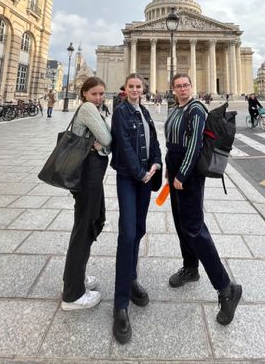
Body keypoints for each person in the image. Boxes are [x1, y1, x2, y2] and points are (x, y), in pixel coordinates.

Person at [165, 73, 242, 326]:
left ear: (191, 87)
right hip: (175, 170)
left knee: (195, 229)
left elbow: (196, 143)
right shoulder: (176, 108)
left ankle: (226, 288)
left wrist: (183, 174)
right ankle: (191, 268)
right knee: (181, 224)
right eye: (178, 86)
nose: (182, 89)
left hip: (188, 174)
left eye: (186, 85)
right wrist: (170, 170)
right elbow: (173, 142)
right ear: (173, 89)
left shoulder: (196, 108)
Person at [111, 73, 162, 344]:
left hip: (145, 178)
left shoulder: (144, 111)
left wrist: (155, 164)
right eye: (130, 86)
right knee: (127, 234)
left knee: (139, 230)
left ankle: (131, 280)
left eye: (138, 87)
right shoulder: (120, 112)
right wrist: (140, 171)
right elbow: (125, 146)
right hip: (129, 178)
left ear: (143, 89)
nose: (134, 90)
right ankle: (120, 304)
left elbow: (154, 143)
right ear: (125, 89)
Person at [61, 76, 112, 311]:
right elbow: (107, 138)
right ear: (84, 94)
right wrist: (105, 143)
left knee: (93, 220)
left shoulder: (92, 108)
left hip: (90, 177)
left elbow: (105, 141)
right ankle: (73, 294)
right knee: (84, 228)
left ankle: (76, 277)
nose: (99, 98)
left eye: (102, 94)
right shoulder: (88, 109)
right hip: (87, 176)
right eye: (95, 94)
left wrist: (104, 144)